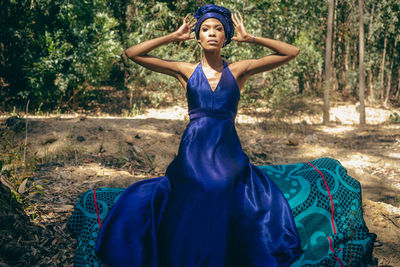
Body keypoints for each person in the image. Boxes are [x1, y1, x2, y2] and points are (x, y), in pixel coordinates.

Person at [95, 4, 303, 266]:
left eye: (218, 29)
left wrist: (250, 38)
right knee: (199, 184)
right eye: (205, 29)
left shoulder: (238, 70)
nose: (212, 33)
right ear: (198, 36)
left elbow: (291, 52)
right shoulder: (187, 71)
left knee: (222, 184)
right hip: (194, 149)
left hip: (226, 148)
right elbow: (132, 53)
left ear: (226, 37)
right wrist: (173, 36)